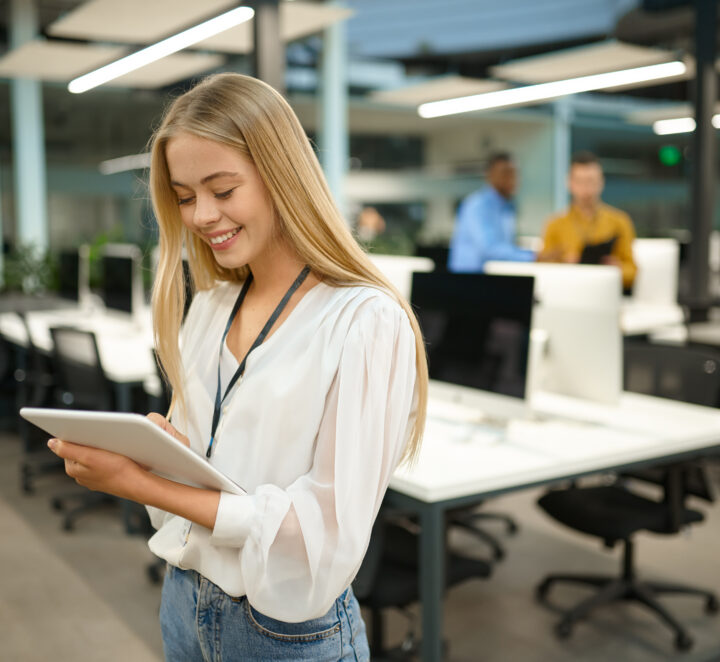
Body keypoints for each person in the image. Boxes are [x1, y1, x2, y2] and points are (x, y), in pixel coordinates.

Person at [46, 73, 428, 662]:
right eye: (184, 195)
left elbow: (323, 530)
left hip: (286, 632)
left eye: (223, 190)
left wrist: (142, 484)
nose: (201, 215)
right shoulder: (213, 305)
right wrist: (162, 450)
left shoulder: (363, 320)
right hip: (185, 598)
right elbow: (213, 469)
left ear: (282, 177)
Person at [541, 151, 637, 290]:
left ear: (601, 182)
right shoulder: (554, 224)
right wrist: (565, 265)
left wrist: (617, 269)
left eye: (591, 181)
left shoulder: (619, 221)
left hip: (605, 291)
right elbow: (543, 269)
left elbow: (632, 271)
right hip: (567, 291)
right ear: (569, 183)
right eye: (580, 181)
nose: (586, 189)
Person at [447, 152, 535, 272]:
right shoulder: (476, 206)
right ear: (489, 176)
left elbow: (506, 247)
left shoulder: (507, 207)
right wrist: (534, 257)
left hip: (494, 276)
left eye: (515, 173)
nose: (512, 179)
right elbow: (489, 250)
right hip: (469, 280)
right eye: (506, 173)